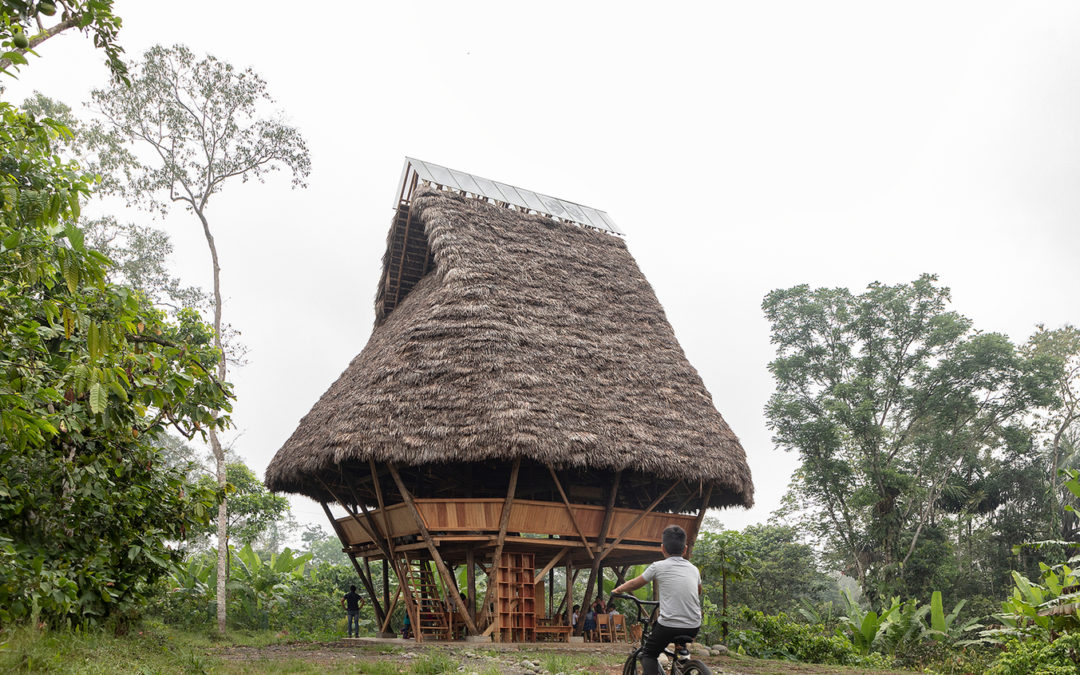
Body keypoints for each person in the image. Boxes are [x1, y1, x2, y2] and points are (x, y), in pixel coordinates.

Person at [612, 525, 701, 675]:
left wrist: (618, 590)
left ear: (662, 548)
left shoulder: (658, 566)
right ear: (685, 549)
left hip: (668, 626)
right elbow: (697, 591)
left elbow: (636, 582)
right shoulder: (694, 569)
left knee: (649, 654)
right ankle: (683, 656)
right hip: (694, 625)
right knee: (679, 642)